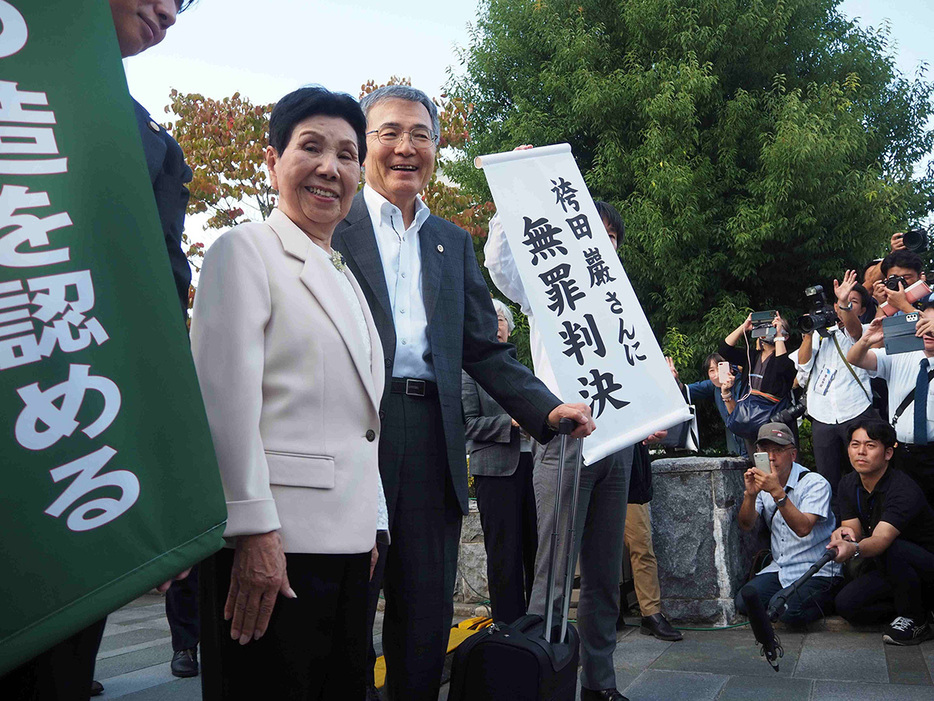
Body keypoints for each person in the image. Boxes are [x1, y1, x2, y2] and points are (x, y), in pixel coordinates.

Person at [332, 88, 593, 701]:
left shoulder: (450, 241)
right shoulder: (331, 225)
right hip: (350, 430)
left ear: (437, 148)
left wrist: (544, 409)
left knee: (424, 616)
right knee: (346, 610)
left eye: (421, 134)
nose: (405, 147)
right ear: (363, 143)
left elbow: (483, 348)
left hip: (432, 435)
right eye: (389, 132)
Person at [0, 2, 196, 699]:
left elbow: (163, 302)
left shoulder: (150, 141)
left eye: (184, 2)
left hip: (70, 440)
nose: (169, 11)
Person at [191, 87, 388, 700]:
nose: (331, 167)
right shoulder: (243, 251)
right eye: (312, 147)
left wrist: (375, 523)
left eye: (348, 154)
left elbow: (362, 420)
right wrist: (253, 533)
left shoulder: (343, 270)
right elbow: (222, 405)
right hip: (275, 547)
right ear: (272, 159)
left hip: (349, 546)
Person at [486, 195, 653, 701]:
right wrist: (506, 203)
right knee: (553, 574)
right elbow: (499, 265)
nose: (602, 242)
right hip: (564, 443)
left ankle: (599, 683)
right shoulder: (547, 290)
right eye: (591, 231)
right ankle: (543, 681)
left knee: (603, 576)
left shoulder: (620, 299)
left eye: (611, 237)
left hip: (617, 446)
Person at [461, 299, 537, 625]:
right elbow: (467, 424)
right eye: (489, 319)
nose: (497, 324)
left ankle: (537, 625)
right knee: (504, 555)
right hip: (494, 471)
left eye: (502, 318)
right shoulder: (469, 370)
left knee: (536, 551)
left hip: (531, 467)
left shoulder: (521, 370)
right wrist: (512, 422)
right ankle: (508, 629)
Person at [830, 421, 934, 645]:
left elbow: (879, 540)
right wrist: (843, 535)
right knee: (847, 605)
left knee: (893, 548)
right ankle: (915, 608)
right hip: (889, 567)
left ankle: (917, 620)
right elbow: (853, 529)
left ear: (888, 453)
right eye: (855, 444)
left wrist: (854, 549)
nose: (861, 451)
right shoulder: (848, 483)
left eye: (870, 445)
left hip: (923, 563)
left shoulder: (903, 489)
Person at [735, 423, 842, 626]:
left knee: (787, 611)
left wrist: (777, 493)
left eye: (778, 450)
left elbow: (803, 528)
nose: (771, 457)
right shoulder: (762, 483)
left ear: (793, 455)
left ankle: (830, 599)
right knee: (744, 602)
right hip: (782, 568)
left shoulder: (814, 483)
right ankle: (786, 598)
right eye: (765, 451)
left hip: (817, 570)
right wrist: (750, 495)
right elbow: (746, 524)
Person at [791, 270, 877, 508]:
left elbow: (856, 333)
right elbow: (803, 364)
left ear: (860, 309)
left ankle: (868, 522)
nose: (845, 305)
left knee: (863, 473)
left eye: (853, 301)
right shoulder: (821, 335)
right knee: (828, 478)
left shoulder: (865, 330)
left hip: (856, 411)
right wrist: (809, 334)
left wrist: (843, 303)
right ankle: (836, 526)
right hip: (822, 416)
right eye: (841, 302)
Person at [846, 304, 934, 505]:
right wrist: (867, 340)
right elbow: (855, 358)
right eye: (923, 324)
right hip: (902, 453)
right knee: (903, 509)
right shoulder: (901, 355)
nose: (927, 332)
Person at [623, 442, 682, 641]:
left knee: (641, 545)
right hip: (596, 461)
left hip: (630, 470)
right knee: (599, 547)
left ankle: (650, 613)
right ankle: (606, 609)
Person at [719, 312, 797, 455]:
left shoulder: (789, 360)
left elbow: (781, 366)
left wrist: (778, 334)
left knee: (778, 462)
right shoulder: (752, 357)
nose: (770, 330)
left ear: (786, 335)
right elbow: (724, 349)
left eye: (774, 327)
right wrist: (744, 327)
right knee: (758, 463)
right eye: (768, 327)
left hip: (773, 421)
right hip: (749, 418)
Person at [671, 353, 747, 457]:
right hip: (738, 446)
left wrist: (726, 392)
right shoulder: (713, 386)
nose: (717, 374)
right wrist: (675, 379)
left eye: (720, 368)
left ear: (730, 368)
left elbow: (738, 419)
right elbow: (686, 390)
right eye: (712, 370)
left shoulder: (742, 384)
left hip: (751, 441)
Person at [871, 248, 930, 317]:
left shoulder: (930, 299)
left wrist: (902, 304)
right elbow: (878, 327)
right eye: (894, 278)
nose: (900, 283)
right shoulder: (889, 301)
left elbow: (929, 326)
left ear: (919, 277)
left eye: (906, 278)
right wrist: (883, 304)